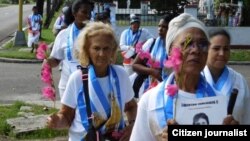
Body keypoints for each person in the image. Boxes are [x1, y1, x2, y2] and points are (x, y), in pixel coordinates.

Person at [130, 13, 239, 141]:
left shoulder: (220, 101)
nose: (196, 50)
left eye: (203, 44)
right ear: (170, 50)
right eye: (187, 43)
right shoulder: (149, 101)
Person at [46, 22, 137, 141]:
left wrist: (132, 126)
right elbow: (67, 116)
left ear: (113, 50)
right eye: (96, 48)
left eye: (106, 48)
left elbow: (131, 106)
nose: (102, 54)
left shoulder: (121, 74)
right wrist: (57, 121)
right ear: (87, 50)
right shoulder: (77, 78)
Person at [44, 0, 94, 99]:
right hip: (67, 85)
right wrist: (47, 62)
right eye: (84, 12)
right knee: (67, 114)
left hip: (90, 84)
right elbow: (56, 60)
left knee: (87, 114)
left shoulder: (95, 34)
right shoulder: (63, 34)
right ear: (75, 13)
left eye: (89, 12)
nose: (88, 15)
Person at [203, 28, 250, 124]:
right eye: (216, 48)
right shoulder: (195, 80)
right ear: (206, 49)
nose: (222, 53)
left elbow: (246, 117)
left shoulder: (239, 80)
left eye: (226, 49)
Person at [130, 14, 175, 99]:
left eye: (164, 27)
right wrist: (152, 71)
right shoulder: (151, 43)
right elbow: (135, 65)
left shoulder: (176, 47)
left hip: (170, 91)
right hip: (150, 90)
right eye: (159, 26)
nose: (160, 29)